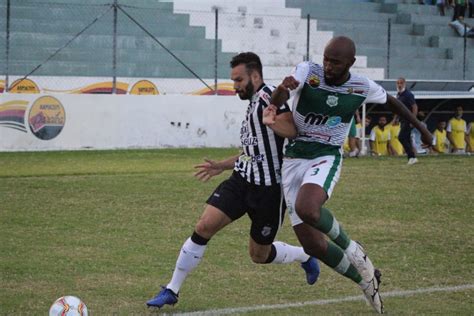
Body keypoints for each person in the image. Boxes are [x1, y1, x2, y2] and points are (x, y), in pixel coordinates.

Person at [264, 36, 433, 314]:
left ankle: (354, 249)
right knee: (313, 244)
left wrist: (421, 128)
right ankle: (365, 280)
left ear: (350, 63)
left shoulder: (361, 86)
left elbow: (393, 103)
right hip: (294, 158)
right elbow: (277, 100)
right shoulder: (308, 72)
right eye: (326, 59)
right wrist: (284, 88)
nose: (328, 66)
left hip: (325, 155)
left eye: (335, 62)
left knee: (308, 208)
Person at [146, 52, 320, 309]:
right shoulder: (252, 103)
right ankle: (172, 289)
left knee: (258, 255)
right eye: (233, 80)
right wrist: (221, 165)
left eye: (239, 79)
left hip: (269, 191)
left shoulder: (268, 97)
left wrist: (272, 124)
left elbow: (291, 129)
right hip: (242, 180)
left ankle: (305, 256)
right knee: (204, 226)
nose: (235, 85)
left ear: (255, 76)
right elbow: (252, 151)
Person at [396, 77, 421, 165]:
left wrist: (413, 120)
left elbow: (414, 107)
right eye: (398, 83)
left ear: (404, 84)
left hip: (408, 119)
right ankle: (412, 158)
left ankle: (411, 156)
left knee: (401, 137)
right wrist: (396, 118)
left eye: (401, 83)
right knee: (407, 139)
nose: (399, 85)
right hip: (402, 119)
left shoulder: (408, 94)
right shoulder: (399, 94)